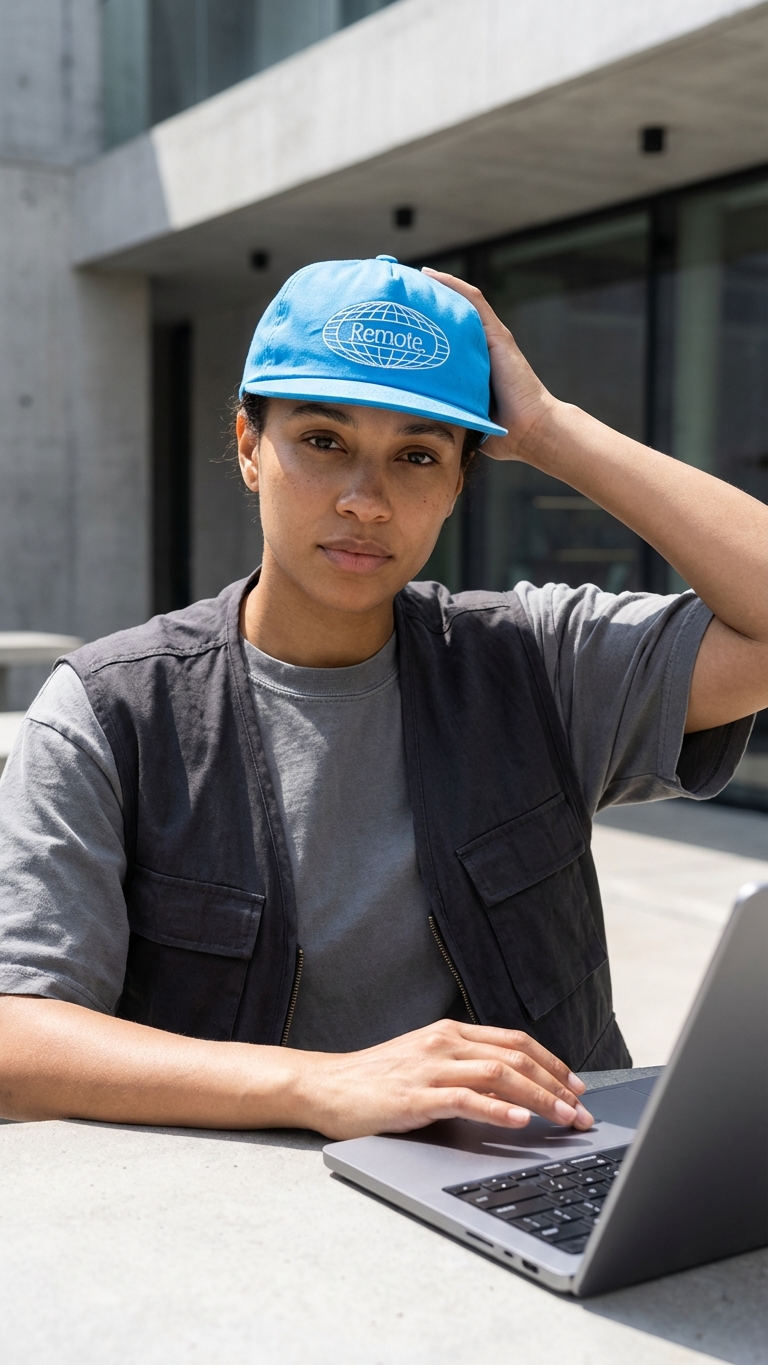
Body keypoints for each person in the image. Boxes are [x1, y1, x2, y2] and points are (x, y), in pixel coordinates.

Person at [0, 256, 765, 1140]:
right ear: (251, 449)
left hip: (536, 1185)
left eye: (416, 455)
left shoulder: (536, 660)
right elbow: (19, 1039)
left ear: (457, 485)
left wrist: (553, 430)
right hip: (244, 1227)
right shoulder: (110, 712)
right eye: (324, 442)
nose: (367, 501)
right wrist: (320, 1084)